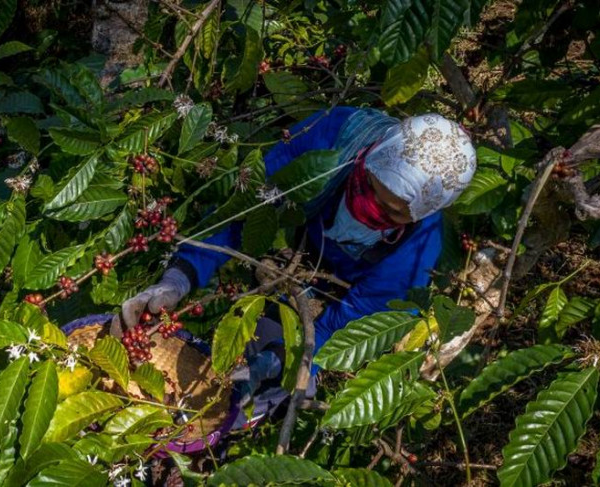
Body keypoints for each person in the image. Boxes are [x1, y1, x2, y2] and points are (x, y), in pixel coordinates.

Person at [114, 107, 476, 407]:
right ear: (370, 156)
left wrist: (292, 358)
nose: (372, 208)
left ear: (420, 215)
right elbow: (249, 208)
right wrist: (181, 275)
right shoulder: (331, 140)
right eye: (370, 189)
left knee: (253, 389)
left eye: (392, 213)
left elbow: (357, 318)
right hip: (298, 235)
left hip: (333, 286)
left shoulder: (415, 251)